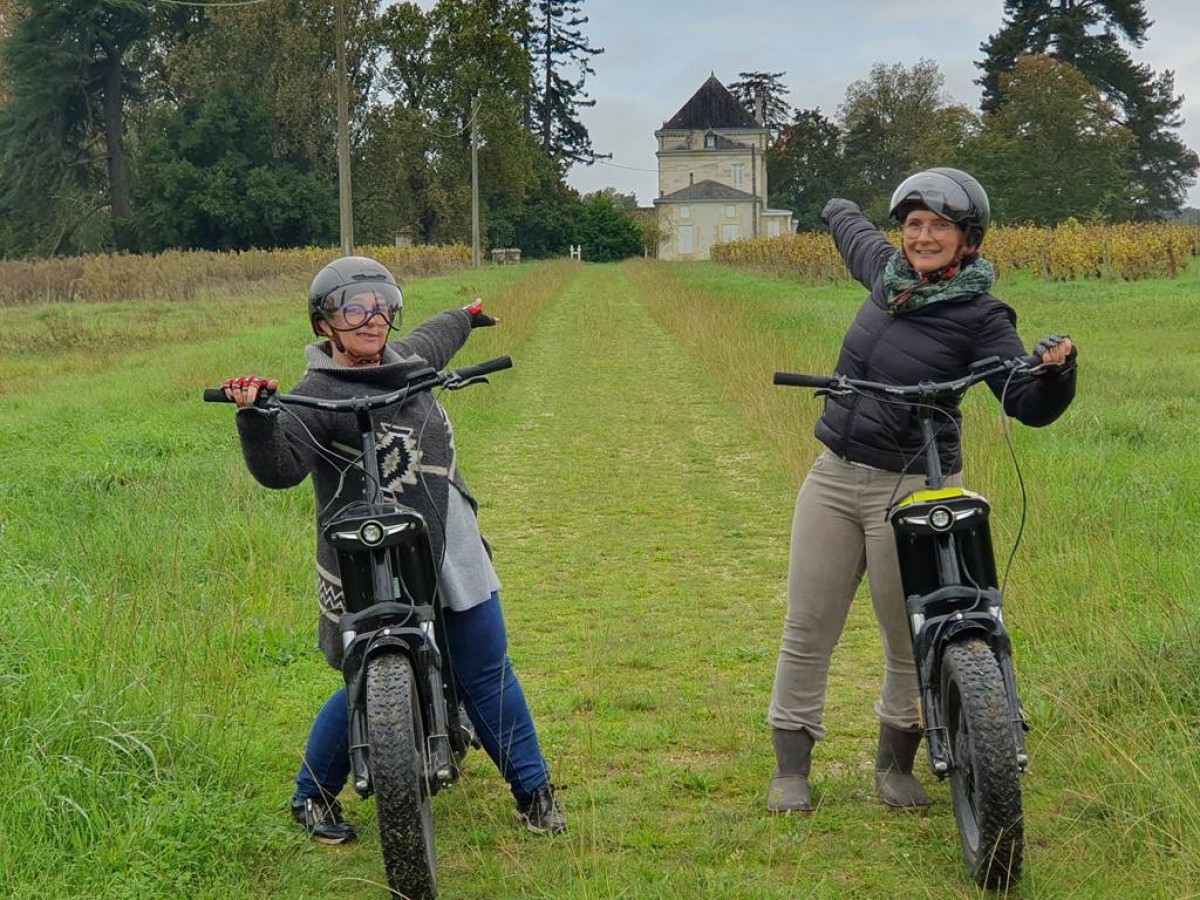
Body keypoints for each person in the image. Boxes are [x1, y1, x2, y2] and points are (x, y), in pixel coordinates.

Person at [221, 255, 565, 842]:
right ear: (324, 324)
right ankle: (311, 798)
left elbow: (439, 333)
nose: (372, 319)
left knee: (485, 669)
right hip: (370, 556)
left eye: (382, 305)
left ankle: (535, 794)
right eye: (354, 308)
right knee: (363, 673)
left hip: (449, 544)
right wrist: (256, 417)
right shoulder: (314, 396)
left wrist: (467, 315)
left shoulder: (411, 363)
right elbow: (280, 469)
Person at [766, 168, 1077, 814]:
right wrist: (836, 204)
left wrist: (1054, 374)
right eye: (914, 224)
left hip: (915, 487)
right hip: (834, 475)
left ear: (969, 241)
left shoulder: (982, 315)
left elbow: (1020, 395)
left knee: (911, 635)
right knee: (806, 623)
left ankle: (895, 765)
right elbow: (854, 237)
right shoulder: (887, 276)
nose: (924, 236)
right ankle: (791, 769)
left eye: (940, 226)